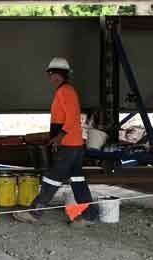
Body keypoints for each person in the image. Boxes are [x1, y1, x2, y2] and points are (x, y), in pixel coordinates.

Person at [14, 57, 99, 224]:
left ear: (63, 75)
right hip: (74, 145)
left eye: (57, 74)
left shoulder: (65, 91)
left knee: (52, 178)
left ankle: (34, 213)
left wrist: (59, 138)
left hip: (68, 145)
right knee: (78, 181)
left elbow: (73, 118)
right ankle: (89, 216)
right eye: (52, 74)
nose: (53, 77)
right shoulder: (65, 91)